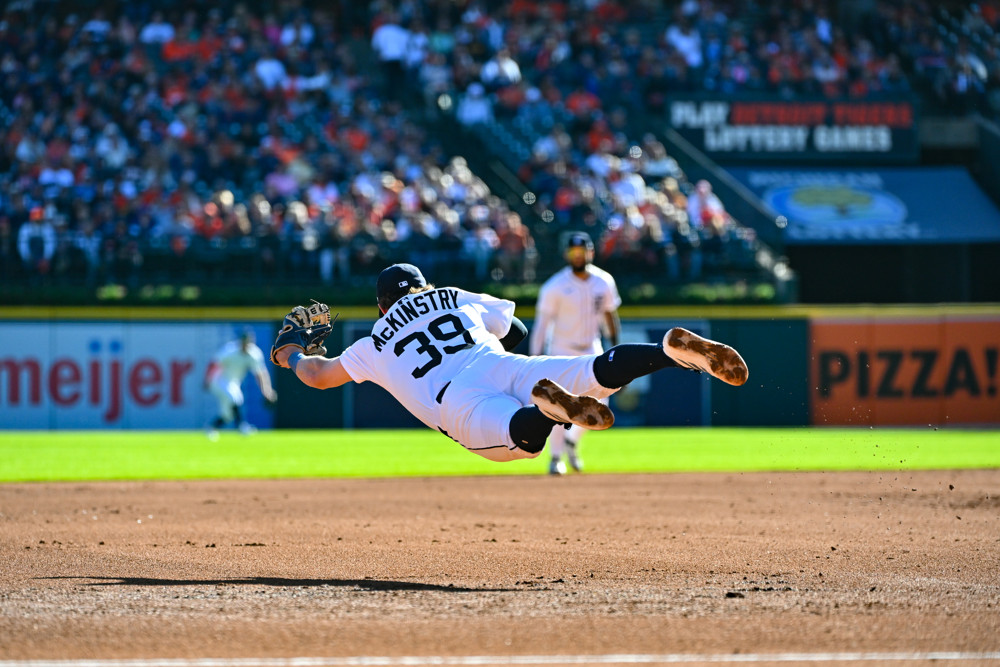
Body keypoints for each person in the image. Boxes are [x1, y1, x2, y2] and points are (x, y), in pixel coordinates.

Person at [271, 263, 749, 463]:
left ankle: (545, 412)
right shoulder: (450, 295)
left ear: (381, 306)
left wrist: (292, 352)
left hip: (455, 398)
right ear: (422, 286)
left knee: (520, 443)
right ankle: (666, 353)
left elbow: (318, 376)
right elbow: (515, 328)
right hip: (498, 360)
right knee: (594, 372)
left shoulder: (376, 338)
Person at [530, 232, 621, 475]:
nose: (578, 256)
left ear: (591, 252)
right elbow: (542, 325)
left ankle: (572, 441)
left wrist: (615, 349)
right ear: (567, 255)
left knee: (602, 403)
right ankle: (556, 458)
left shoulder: (603, 281)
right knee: (561, 407)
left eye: (582, 252)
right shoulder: (555, 286)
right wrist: (535, 356)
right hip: (562, 351)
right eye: (573, 253)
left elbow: (610, 315)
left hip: (592, 348)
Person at [205, 330, 277, 440]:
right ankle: (242, 426)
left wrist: (267, 391)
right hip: (218, 380)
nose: (246, 345)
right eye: (244, 342)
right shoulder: (230, 350)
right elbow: (214, 363)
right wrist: (207, 379)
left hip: (233, 383)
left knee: (228, 415)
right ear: (240, 341)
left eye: (249, 342)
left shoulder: (254, 353)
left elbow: (260, 374)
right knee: (235, 399)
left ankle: (212, 427)